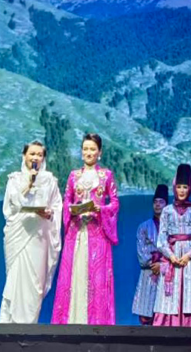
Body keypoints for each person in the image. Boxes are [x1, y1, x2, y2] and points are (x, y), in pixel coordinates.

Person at [52, 133, 119, 325]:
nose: (89, 153)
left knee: (96, 278)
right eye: (85, 149)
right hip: (76, 233)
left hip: (97, 234)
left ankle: (96, 323)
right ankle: (70, 321)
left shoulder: (106, 175)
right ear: (81, 152)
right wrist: (72, 209)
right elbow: (66, 200)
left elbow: (115, 203)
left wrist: (100, 209)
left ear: (99, 152)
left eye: (92, 149)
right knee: (74, 274)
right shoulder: (74, 176)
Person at [0, 141, 63, 324]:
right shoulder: (14, 180)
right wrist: (29, 183)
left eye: (39, 155)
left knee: (35, 285)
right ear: (24, 156)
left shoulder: (50, 181)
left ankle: (28, 327)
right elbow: (10, 207)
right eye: (32, 154)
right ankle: (7, 326)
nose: (35, 158)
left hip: (39, 238)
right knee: (15, 281)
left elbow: (57, 206)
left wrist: (50, 213)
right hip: (18, 235)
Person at [153, 164, 191, 327]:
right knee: (169, 296)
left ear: (190, 188)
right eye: (179, 187)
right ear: (174, 188)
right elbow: (161, 239)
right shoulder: (167, 211)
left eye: (185, 187)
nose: (182, 191)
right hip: (172, 255)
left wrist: (188, 256)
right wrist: (171, 256)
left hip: (190, 258)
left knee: (190, 292)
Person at [132, 185, 169, 325]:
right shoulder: (143, 227)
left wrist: (164, 264)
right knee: (147, 313)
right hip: (149, 272)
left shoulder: (172, 227)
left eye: (161, 202)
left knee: (166, 312)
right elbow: (141, 253)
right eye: (155, 202)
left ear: (167, 205)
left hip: (167, 272)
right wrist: (155, 264)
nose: (158, 205)